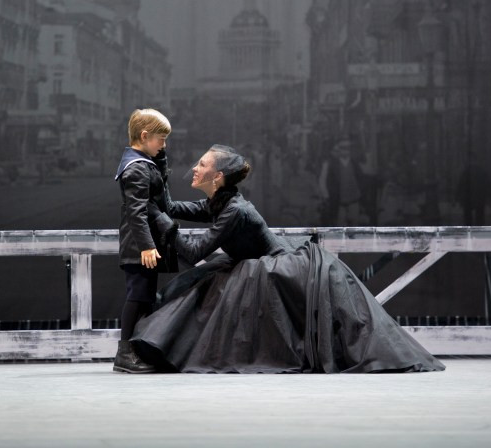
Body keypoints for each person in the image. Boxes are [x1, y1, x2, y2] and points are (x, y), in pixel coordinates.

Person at [132, 144, 445, 374]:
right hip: (255, 265)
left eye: (202, 165)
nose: (196, 169)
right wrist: (159, 167)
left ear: (217, 177)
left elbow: (193, 252)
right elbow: (171, 207)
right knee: (197, 293)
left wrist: (156, 218)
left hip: (280, 266)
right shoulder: (219, 201)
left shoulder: (234, 210)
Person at [112, 108, 175, 374]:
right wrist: (147, 246)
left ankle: (140, 350)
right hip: (140, 246)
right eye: (160, 140)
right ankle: (124, 354)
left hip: (142, 245)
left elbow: (158, 192)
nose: (163, 144)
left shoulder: (141, 162)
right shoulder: (136, 168)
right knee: (137, 297)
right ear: (144, 135)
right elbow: (136, 213)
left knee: (145, 297)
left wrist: (160, 159)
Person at [318, 136, 366, 225]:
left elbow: (361, 179)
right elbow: (323, 181)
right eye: (343, 148)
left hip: (354, 201)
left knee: (354, 227)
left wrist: (359, 193)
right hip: (339, 203)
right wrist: (327, 196)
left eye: (348, 148)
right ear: (338, 149)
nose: (346, 150)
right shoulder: (331, 164)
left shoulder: (354, 163)